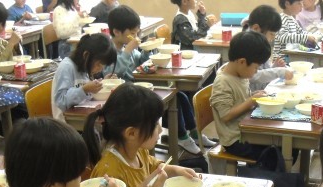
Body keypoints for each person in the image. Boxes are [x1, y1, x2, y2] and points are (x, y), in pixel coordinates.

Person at [83, 83, 199, 187]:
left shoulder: (138, 151)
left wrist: (174, 170)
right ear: (131, 133)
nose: (160, 130)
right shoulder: (109, 170)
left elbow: (152, 165)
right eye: (155, 124)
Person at [105, 6, 214, 155]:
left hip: (139, 87)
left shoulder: (127, 46)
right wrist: (127, 51)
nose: (135, 36)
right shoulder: (109, 51)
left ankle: (194, 132)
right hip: (125, 96)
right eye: (132, 33)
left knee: (179, 95)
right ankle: (181, 136)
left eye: (137, 33)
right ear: (117, 32)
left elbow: (140, 62)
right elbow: (113, 72)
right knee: (173, 98)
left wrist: (146, 50)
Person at [210, 31, 272, 160]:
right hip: (235, 141)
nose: (256, 72)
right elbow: (226, 116)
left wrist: (254, 95)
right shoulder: (223, 82)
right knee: (278, 152)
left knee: (284, 144)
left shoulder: (240, 74)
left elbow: (241, 98)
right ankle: (257, 172)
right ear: (242, 62)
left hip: (247, 131)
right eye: (256, 68)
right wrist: (251, 101)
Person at [51, 33, 117, 121]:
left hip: (82, 118)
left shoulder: (84, 67)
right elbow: (61, 101)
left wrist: (103, 83)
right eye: (99, 65)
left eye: (103, 66)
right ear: (86, 55)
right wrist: (84, 89)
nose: (100, 69)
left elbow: (87, 94)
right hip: (67, 123)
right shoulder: (67, 67)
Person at [242, 5, 294, 92]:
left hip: (260, 91)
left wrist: (274, 67)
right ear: (256, 28)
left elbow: (262, 71)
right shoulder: (245, 44)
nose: (272, 38)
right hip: (249, 95)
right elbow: (252, 75)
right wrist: (278, 71)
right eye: (271, 34)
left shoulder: (259, 43)